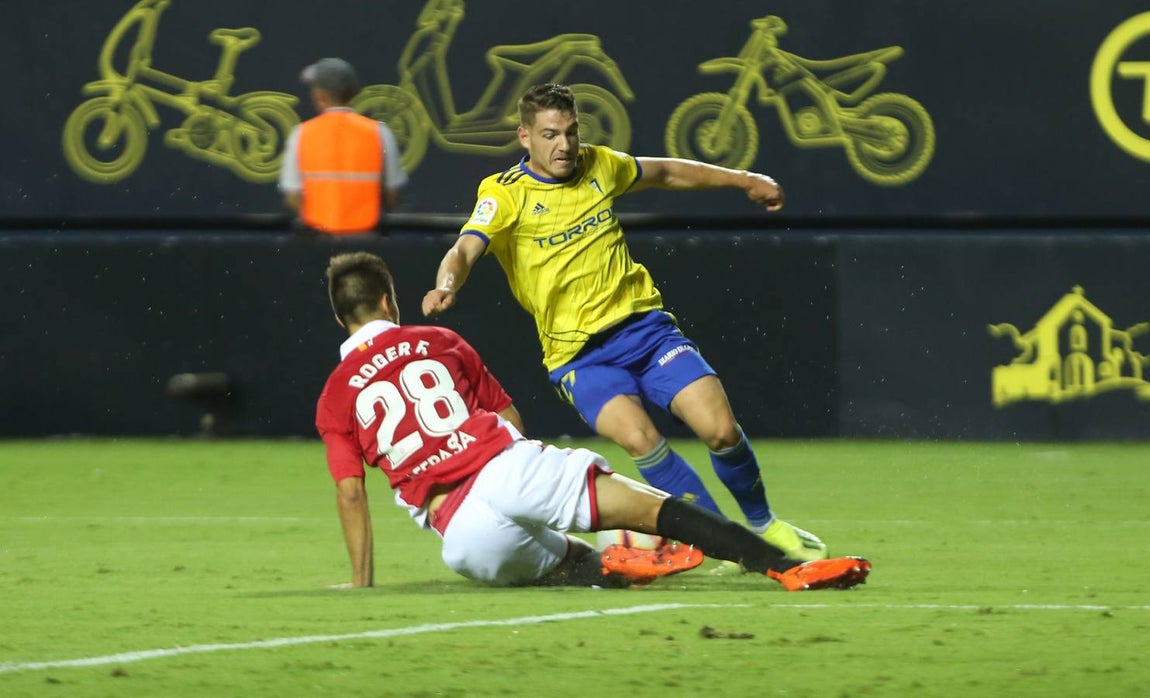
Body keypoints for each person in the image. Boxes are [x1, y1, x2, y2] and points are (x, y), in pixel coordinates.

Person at [421, 83, 825, 570]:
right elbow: (465, 248)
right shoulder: (504, 193)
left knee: (720, 430)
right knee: (640, 439)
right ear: (525, 136)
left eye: (571, 132)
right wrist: (448, 284)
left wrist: (743, 179)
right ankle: (733, 546)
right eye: (550, 135)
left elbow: (668, 172)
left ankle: (764, 524)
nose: (564, 146)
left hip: (645, 331)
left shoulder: (600, 165)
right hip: (579, 357)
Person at [316, 251, 871, 591]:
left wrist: (361, 582)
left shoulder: (335, 394)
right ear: (388, 301)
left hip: (459, 533)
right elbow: (505, 413)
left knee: (566, 565)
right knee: (663, 512)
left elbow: (349, 495)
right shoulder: (439, 341)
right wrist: (530, 475)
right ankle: (784, 567)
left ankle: (606, 562)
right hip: (506, 467)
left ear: (341, 318)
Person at [278, 57, 409, 235]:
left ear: (320, 96)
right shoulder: (380, 132)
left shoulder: (301, 134)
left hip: (317, 239)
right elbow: (392, 195)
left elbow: (293, 197)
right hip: (367, 238)